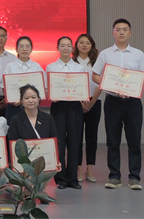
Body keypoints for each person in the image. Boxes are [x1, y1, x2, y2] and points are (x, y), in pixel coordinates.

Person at [91, 19, 144, 191]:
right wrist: (110, 85)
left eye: (125, 30)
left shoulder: (138, 54)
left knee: (134, 140)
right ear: (113, 33)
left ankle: (134, 177)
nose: (121, 32)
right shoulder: (105, 54)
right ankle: (114, 176)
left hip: (133, 102)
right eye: (118, 29)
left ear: (130, 33)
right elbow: (94, 75)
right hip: (112, 101)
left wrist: (135, 86)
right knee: (113, 140)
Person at [46, 37, 85, 189]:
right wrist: (51, 95)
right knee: (59, 142)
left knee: (75, 142)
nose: (66, 48)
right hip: (58, 106)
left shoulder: (79, 68)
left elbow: (82, 87)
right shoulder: (51, 67)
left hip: (75, 107)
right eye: (62, 45)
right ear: (58, 48)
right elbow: (47, 87)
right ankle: (61, 179)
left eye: (69, 45)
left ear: (72, 48)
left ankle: (73, 179)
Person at [7, 84, 60, 176]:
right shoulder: (16, 120)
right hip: (24, 167)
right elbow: (12, 144)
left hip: (45, 163)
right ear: (21, 101)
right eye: (26, 98)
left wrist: (56, 160)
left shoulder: (48, 118)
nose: (30, 100)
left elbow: (55, 141)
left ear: (39, 99)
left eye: (34, 97)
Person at [74, 33, 101, 183]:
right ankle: (78, 167)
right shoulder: (72, 62)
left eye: (87, 43)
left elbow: (101, 83)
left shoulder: (97, 62)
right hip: (76, 103)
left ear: (92, 46)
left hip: (94, 101)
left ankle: (90, 167)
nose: (84, 45)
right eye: (81, 42)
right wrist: (81, 102)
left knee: (92, 135)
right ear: (77, 45)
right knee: (76, 135)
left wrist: (91, 103)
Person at [0, 36, 45, 120]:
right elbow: (3, 87)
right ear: (16, 49)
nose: (24, 49)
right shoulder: (10, 66)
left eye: (27, 46)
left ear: (31, 49)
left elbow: (43, 87)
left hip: (32, 108)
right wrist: (11, 99)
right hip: (14, 107)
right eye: (21, 46)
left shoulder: (36, 67)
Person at [0, 27, 17, 116]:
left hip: (8, 101)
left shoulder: (13, 58)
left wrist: (8, 98)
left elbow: (15, 80)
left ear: (6, 39)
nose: (0, 38)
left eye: (3, 36)